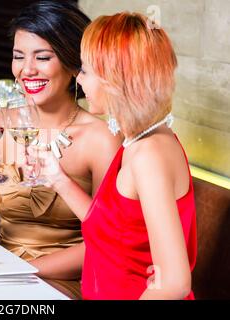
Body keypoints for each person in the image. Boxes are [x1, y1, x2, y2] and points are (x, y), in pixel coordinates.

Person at [0, 1, 122, 299]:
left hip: (63, 283)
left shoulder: (100, 138)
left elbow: (111, 241)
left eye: (42, 57)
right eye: (19, 57)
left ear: (71, 63)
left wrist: (18, 269)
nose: (27, 70)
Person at [33, 12, 197, 299]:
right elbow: (113, 230)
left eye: (85, 70)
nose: (79, 81)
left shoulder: (150, 154)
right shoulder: (137, 140)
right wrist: (57, 179)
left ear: (114, 80)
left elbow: (174, 283)